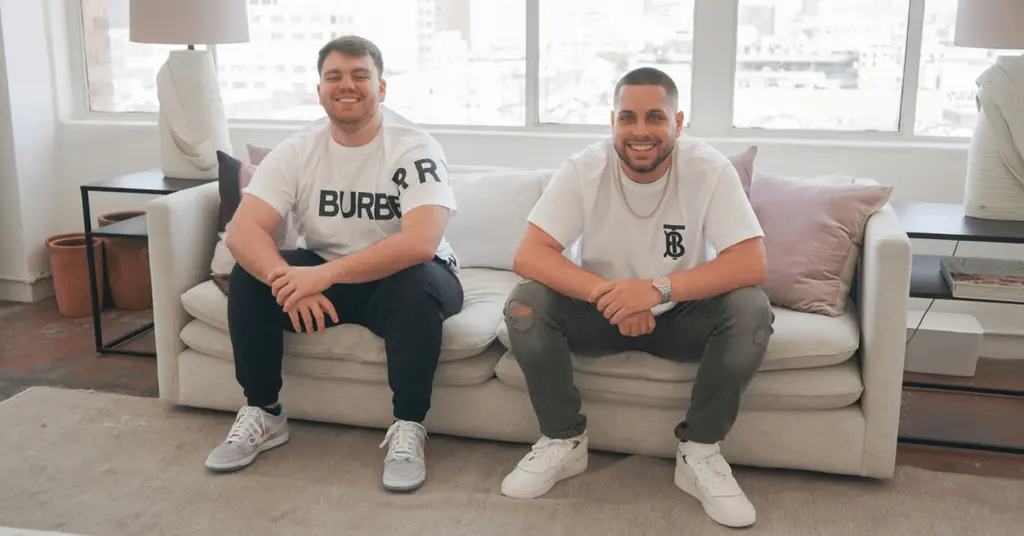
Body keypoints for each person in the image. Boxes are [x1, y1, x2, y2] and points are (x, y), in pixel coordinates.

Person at [499, 67, 774, 528]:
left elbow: (751, 263)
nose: (640, 131)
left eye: (655, 117)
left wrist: (654, 291)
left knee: (751, 308)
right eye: (627, 118)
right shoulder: (583, 169)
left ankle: (699, 451)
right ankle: (563, 440)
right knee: (525, 301)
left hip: (681, 315)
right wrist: (610, 297)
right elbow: (530, 254)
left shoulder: (708, 169)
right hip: (598, 313)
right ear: (613, 122)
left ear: (678, 122)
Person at [203, 36, 464, 493]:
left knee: (414, 283)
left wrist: (321, 277)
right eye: (334, 76)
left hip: (407, 278)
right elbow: (244, 230)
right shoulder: (298, 149)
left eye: (360, 75)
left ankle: (408, 427)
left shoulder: (414, 147)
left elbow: (420, 242)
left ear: (381, 88)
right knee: (249, 276)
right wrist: (286, 283)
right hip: (326, 273)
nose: (347, 85)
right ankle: (264, 413)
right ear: (320, 89)